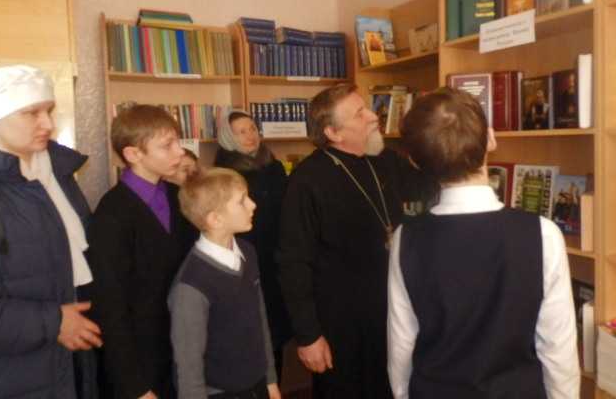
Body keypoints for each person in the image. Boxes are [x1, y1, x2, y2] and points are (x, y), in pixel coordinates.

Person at [388, 87, 580, 398]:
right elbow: (558, 349)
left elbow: (401, 342)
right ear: (490, 138)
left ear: (415, 161)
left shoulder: (405, 238)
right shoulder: (543, 234)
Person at [277, 84, 434, 398]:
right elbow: (293, 262)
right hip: (340, 323)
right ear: (333, 132)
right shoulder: (307, 179)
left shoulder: (385, 160)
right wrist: (308, 336)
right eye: (360, 113)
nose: (373, 117)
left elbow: (429, 188)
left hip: (392, 311)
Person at [0, 65, 102, 398]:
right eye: (31, 113)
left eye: (49, 111)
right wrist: (54, 322)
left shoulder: (57, 174)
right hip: (13, 374)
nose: (48, 124)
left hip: (68, 360)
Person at [88, 104, 199, 399]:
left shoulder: (177, 197)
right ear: (133, 154)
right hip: (139, 364)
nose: (180, 152)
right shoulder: (112, 215)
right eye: (167, 145)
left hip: (178, 349)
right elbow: (110, 307)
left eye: (178, 141)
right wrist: (134, 385)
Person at [169, 167, 281, 399]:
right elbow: (188, 367)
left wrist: (271, 380)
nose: (253, 205)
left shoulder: (248, 253)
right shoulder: (191, 285)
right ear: (215, 219)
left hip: (258, 385)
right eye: (242, 201)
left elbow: (260, 321)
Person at [214, 109, 291, 380]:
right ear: (228, 138)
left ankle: (275, 386)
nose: (250, 136)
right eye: (241, 132)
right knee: (249, 332)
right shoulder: (224, 173)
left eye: (252, 129)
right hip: (245, 258)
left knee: (275, 332)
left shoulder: (274, 166)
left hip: (276, 258)